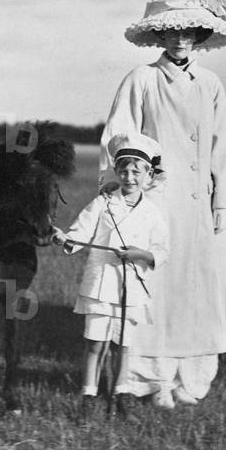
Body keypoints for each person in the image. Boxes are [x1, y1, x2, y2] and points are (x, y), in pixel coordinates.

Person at [100, 0, 226, 409]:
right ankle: (149, 380)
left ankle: (191, 380)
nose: (180, 39)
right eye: (172, 30)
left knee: (199, 286)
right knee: (156, 286)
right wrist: (134, 181)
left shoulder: (210, 84)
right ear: (160, 34)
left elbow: (222, 145)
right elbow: (118, 136)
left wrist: (224, 200)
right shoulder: (142, 79)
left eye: (188, 31)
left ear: (199, 34)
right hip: (156, 201)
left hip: (200, 203)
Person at [52, 133, 170, 419]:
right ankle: (88, 398)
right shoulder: (102, 203)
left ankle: (120, 396)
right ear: (116, 172)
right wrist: (64, 238)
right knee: (95, 343)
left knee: (122, 345)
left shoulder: (152, 212)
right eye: (124, 170)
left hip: (132, 287)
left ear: (149, 174)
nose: (130, 177)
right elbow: (80, 234)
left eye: (136, 171)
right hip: (101, 285)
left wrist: (140, 254)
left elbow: (163, 250)